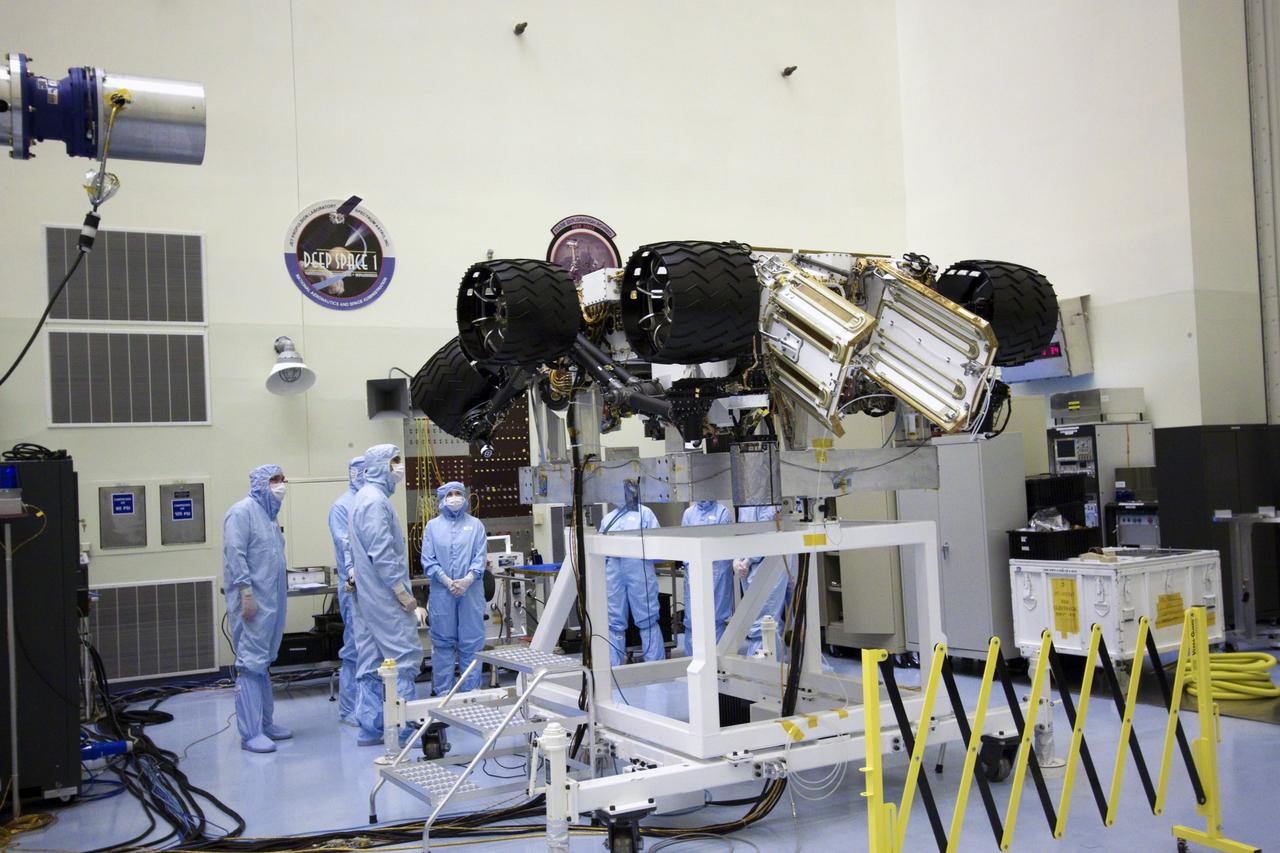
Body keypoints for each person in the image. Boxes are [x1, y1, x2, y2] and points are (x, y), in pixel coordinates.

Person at [349, 444, 420, 747]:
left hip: (368, 596)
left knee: (372, 659)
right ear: (379, 465)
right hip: (385, 596)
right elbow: (381, 552)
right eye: (394, 462)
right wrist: (402, 592)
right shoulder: (375, 502)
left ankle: (371, 725)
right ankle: (404, 727)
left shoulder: (361, 498)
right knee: (403, 657)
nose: (399, 467)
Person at [223, 464, 291, 753]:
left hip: (271, 601)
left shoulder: (269, 517)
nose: (281, 484)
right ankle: (250, 733)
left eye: (282, 479)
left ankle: (266, 723)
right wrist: (245, 593)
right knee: (250, 664)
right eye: (274, 480)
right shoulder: (241, 512)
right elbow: (234, 554)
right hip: (252, 601)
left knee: (262, 663)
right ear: (260, 484)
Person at [421, 481, 488, 696]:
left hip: (470, 591)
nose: (454, 497)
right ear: (441, 498)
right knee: (443, 644)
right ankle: (443, 694)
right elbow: (428, 559)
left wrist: (467, 580)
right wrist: (447, 581)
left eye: (458, 493)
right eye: (449, 494)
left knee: (471, 644)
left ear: (465, 496)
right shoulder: (432, 526)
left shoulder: (476, 525)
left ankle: (470, 694)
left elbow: (480, 557)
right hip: (443, 592)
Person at [600, 479, 663, 665]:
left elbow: (658, 543)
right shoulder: (608, 518)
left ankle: (655, 666)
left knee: (648, 620)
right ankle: (614, 667)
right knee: (614, 622)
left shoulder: (645, 514)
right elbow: (601, 553)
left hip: (639, 570)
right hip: (614, 572)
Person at [326, 455, 364, 726]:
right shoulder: (342, 506)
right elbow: (345, 544)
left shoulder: (374, 503)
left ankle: (369, 706)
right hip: (355, 588)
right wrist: (353, 572)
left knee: (372, 651)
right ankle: (349, 709)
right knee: (354, 649)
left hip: (375, 590)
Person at [734, 504, 793, 659]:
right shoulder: (746, 503)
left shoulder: (769, 500)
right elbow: (743, 533)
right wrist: (737, 559)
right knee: (756, 620)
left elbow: (767, 535)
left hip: (769, 563)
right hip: (749, 567)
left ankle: (767, 670)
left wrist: (747, 560)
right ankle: (764, 668)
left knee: (766, 622)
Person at [681, 499, 734, 656]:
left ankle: (716, 664)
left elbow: (723, 545)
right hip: (693, 571)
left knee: (715, 618)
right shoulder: (689, 513)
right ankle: (692, 661)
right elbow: (684, 542)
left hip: (718, 571)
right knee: (692, 620)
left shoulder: (722, 512)